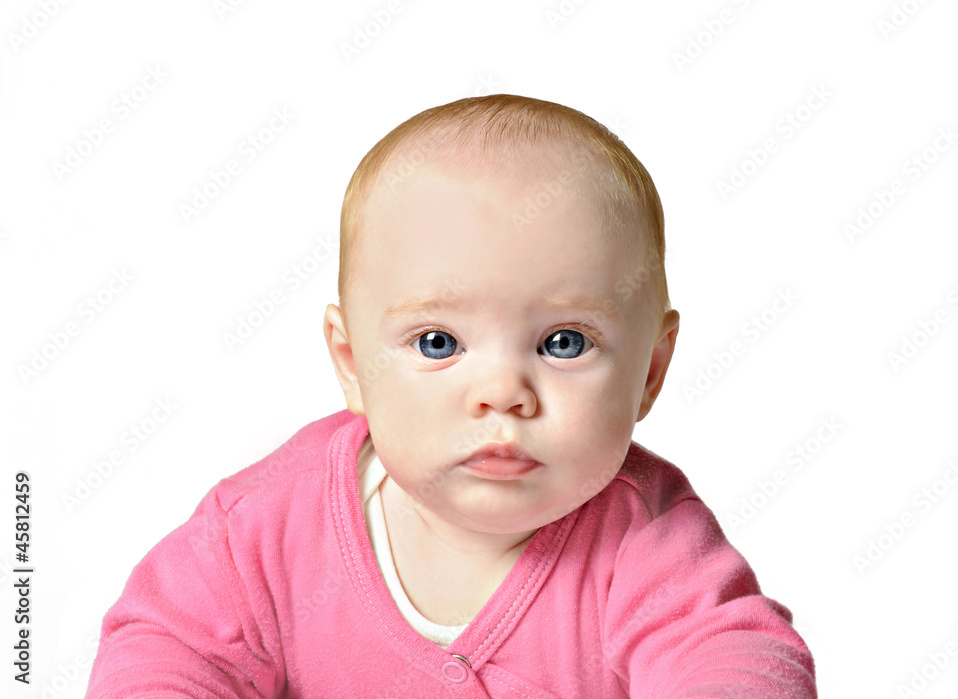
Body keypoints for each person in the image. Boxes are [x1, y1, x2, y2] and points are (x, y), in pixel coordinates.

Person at [86, 94, 816, 697]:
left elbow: (734, 657)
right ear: (351, 362)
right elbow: (167, 646)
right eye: (438, 342)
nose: (502, 392)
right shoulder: (268, 526)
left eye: (564, 342)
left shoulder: (644, 539)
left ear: (651, 372)